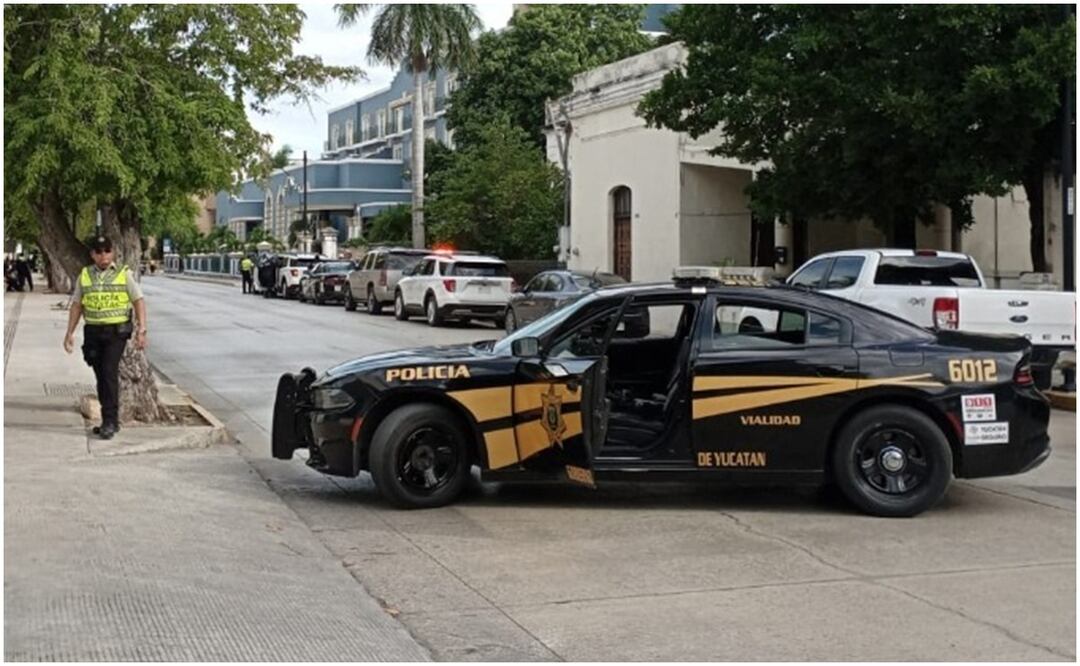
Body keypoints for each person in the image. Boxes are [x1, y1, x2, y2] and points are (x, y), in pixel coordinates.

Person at [63, 237, 148, 439]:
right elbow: (77, 304)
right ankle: (110, 420)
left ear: (113, 253)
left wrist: (142, 329)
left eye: (107, 251)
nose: (104, 256)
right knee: (101, 376)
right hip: (93, 332)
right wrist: (69, 332)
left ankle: (110, 420)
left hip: (116, 333)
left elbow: (138, 300)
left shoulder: (123, 274)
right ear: (92, 254)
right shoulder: (85, 275)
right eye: (99, 252)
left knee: (109, 371)